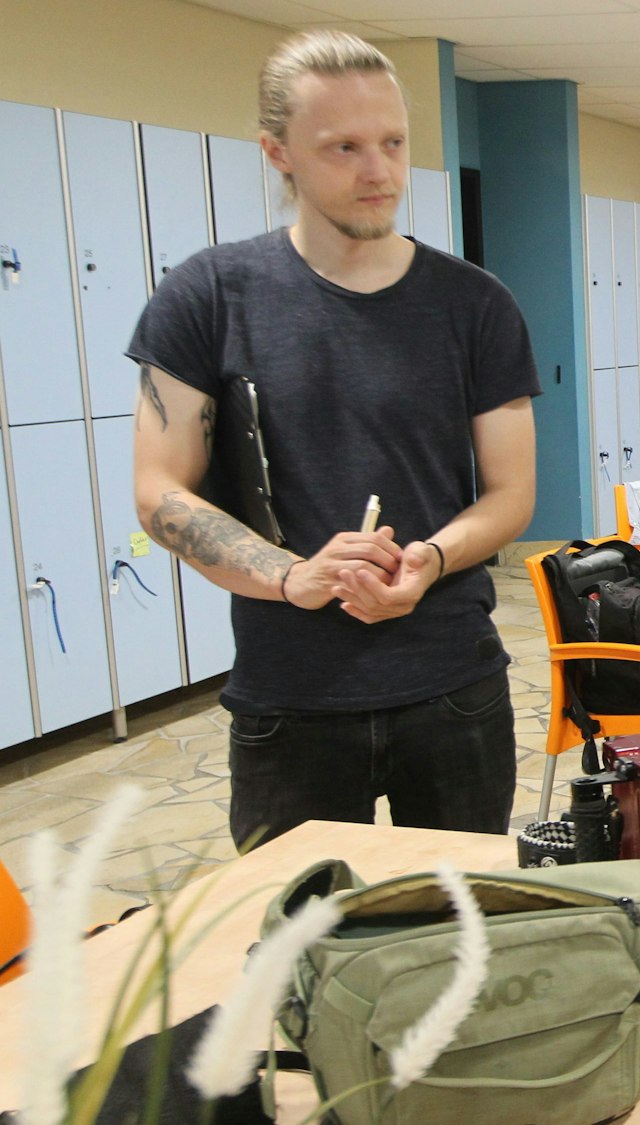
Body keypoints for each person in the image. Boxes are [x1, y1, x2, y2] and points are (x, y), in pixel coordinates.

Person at [127, 30, 540, 852]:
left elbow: (510, 494)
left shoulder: (475, 304)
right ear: (278, 152)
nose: (378, 170)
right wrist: (292, 576)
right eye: (343, 147)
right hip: (291, 698)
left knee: (460, 918)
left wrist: (430, 558)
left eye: (393, 143)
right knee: (301, 924)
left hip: (451, 688)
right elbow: (159, 492)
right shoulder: (208, 297)